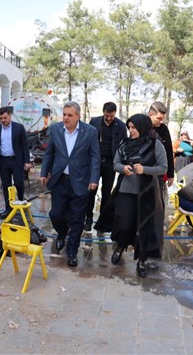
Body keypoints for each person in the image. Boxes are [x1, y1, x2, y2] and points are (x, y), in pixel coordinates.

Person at [95, 114, 167, 277]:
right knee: (123, 223)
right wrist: (122, 169)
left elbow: (163, 168)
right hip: (125, 191)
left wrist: (145, 170)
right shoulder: (125, 143)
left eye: (134, 128)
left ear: (142, 127)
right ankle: (120, 248)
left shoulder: (155, 145)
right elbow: (115, 163)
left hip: (146, 193)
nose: (131, 131)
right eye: (129, 127)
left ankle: (141, 260)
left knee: (144, 227)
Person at [40, 101, 100, 267]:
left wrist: (94, 179)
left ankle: (72, 251)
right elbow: (49, 153)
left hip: (81, 182)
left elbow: (95, 157)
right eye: (64, 114)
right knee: (56, 214)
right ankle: (61, 233)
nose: (66, 118)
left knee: (77, 219)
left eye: (69, 115)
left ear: (78, 116)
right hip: (59, 181)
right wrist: (44, 172)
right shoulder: (56, 129)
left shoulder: (90, 131)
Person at [85, 101, 127, 231]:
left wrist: (121, 163)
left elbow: (124, 145)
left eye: (111, 116)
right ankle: (89, 218)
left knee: (106, 193)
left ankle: (102, 220)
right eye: (107, 115)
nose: (109, 118)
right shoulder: (95, 122)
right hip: (95, 162)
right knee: (90, 191)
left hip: (110, 164)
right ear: (103, 112)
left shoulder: (120, 125)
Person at [0, 107, 32, 218]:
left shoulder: (19, 128)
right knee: (6, 186)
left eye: (5, 118)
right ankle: (8, 209)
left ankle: (20, 202)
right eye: (1, 118)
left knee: (19, 183)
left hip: (16, 160)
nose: (3, 120)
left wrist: (27, 161)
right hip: (3, 160)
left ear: (10, 116)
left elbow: (25, 145)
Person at [148, 101, 174, 189]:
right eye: (158, 118)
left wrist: (171, 174)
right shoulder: (140, 127)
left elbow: (169, 151)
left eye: (162, 119)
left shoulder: (164, 129)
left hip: (159, 172)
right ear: (150, 114)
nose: (161, 121)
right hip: (142, 171)